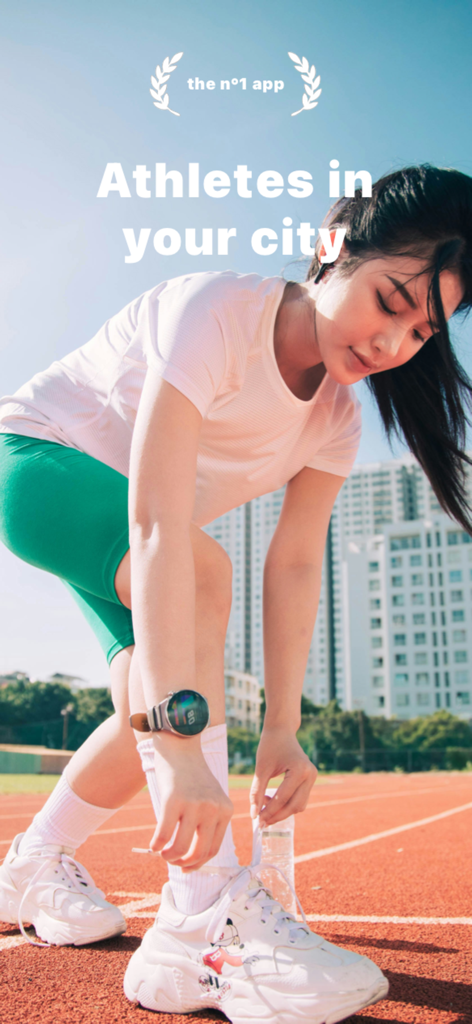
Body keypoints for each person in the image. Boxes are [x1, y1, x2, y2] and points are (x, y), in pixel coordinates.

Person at [0, 163, 471, 1021]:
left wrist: (282, 732)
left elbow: (294, 567)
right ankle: (200, 924)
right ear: (334, 248)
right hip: (37, 464)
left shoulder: (337, 416)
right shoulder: (217, 309)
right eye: (391, 301)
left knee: (139, 706)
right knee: (196, 590)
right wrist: (185, 752)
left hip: (136, 531)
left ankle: (35, 856)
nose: (392, 343)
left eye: (422, 334)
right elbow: (154, 524)